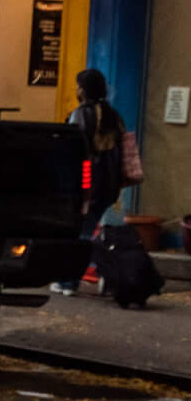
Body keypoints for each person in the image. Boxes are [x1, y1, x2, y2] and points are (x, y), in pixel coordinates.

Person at [55, 68, 126, 296]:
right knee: (88, 230)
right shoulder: (113, 116)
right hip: (108, 186)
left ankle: (68, 281)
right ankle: (102, 274)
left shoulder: (81, 114)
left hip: (85, 185)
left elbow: (73, 149)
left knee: (79, 234)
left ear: (83, 89)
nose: (76, 89)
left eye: (78, 85)